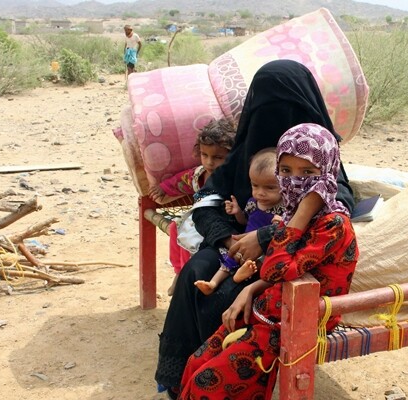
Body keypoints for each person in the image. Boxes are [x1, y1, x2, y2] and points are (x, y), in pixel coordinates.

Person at [154, 59, 356, 397]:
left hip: (283, 254)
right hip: (231, 247)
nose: (274, 117)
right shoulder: (239, 156)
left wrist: (263, 237)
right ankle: (182, 378)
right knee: (195, 271)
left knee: (229, 295)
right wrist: (228, 237)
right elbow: (206, 203)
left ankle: (226, 380)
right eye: (265, 108)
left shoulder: (317, 157)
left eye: (287, 107)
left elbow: (334, 204)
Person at [147, 118, 236, 296]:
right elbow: (180, 181)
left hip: (220, 224)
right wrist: (163, 188)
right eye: (205, 155)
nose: (210, 162)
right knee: (175, 227)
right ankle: (179, 271)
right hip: (196, 220)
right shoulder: (198, 175)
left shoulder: (233, 178)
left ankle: (187, 272)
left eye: (218, 157)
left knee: (191, 238)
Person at [194, 148, 284, 295]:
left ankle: (241, 276)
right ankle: (213, 283)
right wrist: (237, 212)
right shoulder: (253, 202)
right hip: (244, 243)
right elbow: (245, 221)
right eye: (255, 186)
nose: (260, 192)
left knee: (264, 262)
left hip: (264, 248)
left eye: (270, 188)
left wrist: (279, 223)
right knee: (228, 258)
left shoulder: (283, 208)